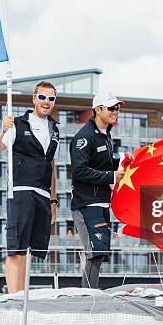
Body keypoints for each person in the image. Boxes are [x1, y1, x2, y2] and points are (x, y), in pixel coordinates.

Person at [0, 81, 60, 293]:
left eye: (51, 98)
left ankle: (22, 297)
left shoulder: (55, 130)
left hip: (43, 195)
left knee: (29, 250)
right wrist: (3, 129)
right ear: (34, 98)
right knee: (16, 250)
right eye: (43, 97)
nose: (46, 102)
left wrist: (53, 200)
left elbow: (52, 165)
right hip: (21, 191)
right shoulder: (18, 124)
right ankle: (14, 298)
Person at [70, 91, 126, 289]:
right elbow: (79, 171)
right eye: (111, 108)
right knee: (95, 253)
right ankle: (88, 298)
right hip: (86, 204)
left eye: (117, 107)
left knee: (100, 254)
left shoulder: (106, 135)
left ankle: (90, 295)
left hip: (102, 203)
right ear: (98, 110)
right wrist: (111, 176)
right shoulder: (84, 137)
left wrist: (125, 162)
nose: (115, 112)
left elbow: (105, 164)